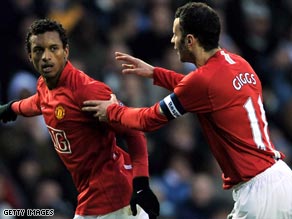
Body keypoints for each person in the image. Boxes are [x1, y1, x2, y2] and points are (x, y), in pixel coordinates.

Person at [81, 2, 292, 219]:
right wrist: (155, 73)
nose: (172, 41)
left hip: (258, 192)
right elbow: (202, 90)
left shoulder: (203, 81)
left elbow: (147, 119)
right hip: (282, 178)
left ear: (189, 40)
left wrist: (113, 110)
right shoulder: (238, 63)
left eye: (176, 35)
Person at [0, 18, 159, 219]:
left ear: (66, 51)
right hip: (90, 198)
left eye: (53, 48)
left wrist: (142, 185)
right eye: (39, 50)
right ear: (30, 56)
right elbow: (39, 101)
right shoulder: (44, 84)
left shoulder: (86, 90)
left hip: (116, 199)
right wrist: (11, 109)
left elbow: (133, 131)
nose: (46, 56)